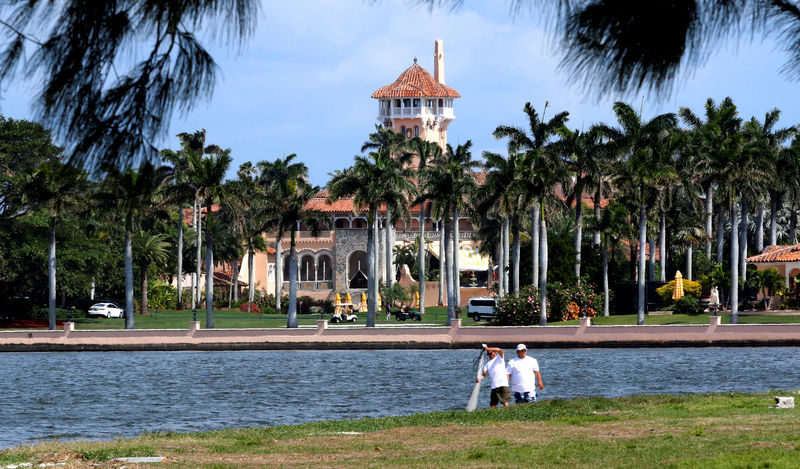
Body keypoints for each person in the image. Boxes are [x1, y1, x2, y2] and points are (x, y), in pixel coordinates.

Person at [477, 343, 510, 408]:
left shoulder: (499, 358)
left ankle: (508, 415)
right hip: (494, 386)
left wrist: (487, 348)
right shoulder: (487, 364)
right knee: (492, 405)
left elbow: (500, 350)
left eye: (490, 353)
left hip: (502, 384)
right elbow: (484, 375)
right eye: (488, 354)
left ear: (495, 353)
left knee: (505, 403)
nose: (489, 355)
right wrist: (479, 379)